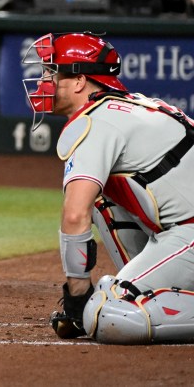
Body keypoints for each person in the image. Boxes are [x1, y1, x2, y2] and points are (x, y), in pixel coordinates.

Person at [22, 32, 194, 344]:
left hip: (189, 234)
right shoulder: (127, 107)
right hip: (182, 230)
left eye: (52, 73)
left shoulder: (96, 121)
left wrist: (78, 298)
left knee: (107, 312)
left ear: (79, 81)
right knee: (103, 199)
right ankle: (144, 286)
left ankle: (130, 296)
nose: (44, 81)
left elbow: (74, 215)